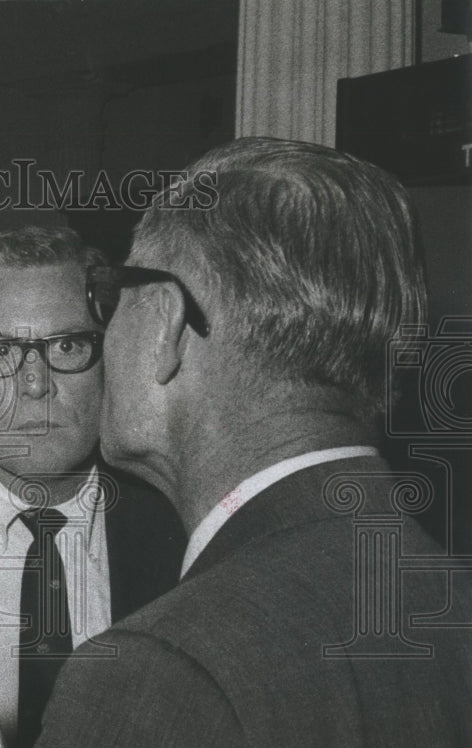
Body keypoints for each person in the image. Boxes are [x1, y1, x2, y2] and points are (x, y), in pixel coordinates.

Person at [37, 138, 472, 746]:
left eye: (110, 297)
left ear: (165, 324)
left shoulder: (162, 673)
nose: (102, 334)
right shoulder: (447, 596)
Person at [0, 226, 185, 747]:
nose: (35, 382)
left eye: (66, 344)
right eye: (2, 350)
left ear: (109, 362)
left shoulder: (180, 532)